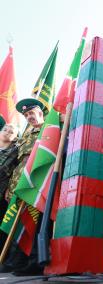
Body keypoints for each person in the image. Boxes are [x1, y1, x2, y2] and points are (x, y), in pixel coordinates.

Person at [1, 98, 45, 275]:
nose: (29, 117)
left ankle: (33, 261)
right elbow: (17, 163)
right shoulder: (26, 135)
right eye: (26, 115)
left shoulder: (49, 129)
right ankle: (15, 261)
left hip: (36, 184)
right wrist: (10, 188)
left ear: (41, 113)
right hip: (18, 185)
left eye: (32, 113)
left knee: (33, 223)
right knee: (16, 224)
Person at [0, 120, 19, 248]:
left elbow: (15, 172)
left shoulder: (16, 151)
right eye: (5, 130)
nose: (7, 132)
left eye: (11, 132)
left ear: (15, 138)